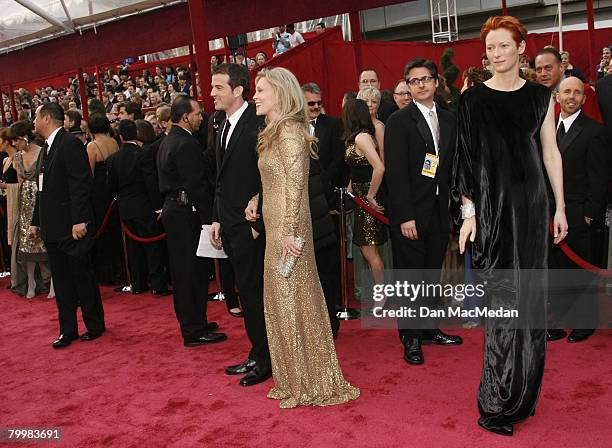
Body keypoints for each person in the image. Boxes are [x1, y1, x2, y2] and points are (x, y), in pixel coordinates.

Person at [454, 16, 568, 436]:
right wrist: (469, 214)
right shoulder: (472, 100)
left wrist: (560, 208)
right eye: (491, 49)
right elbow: (464, 160)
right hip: (494, 207)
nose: (497, 55)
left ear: (521, 48)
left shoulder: (541, 97)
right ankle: (497, 402)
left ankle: (524, 391)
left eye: (504, 46)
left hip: (533, 206)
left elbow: (551, 153)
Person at [249, 66, 359, 408]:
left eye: (261, 91)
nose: (255, 96)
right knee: (278, 303)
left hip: (288, 231)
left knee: (294, 301)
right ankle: (291, 380)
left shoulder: (292, 132)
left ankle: (309, 382)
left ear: (280, 94)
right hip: (276, 227)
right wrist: (256, 200)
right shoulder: (273, 131)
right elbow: (275, 182)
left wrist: (291, 234)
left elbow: (297, 187)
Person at [385, 57, 463, 366]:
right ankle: (411, 337)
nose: (420, 85)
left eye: (425, 79)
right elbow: (396, 173)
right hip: (410, 214)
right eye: (414, 81)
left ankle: (429, 328)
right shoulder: (399, 121)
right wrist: (404, 216)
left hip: (439, 211)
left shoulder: (448, 119)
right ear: (407, 85)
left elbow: (453, 166)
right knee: (410, 277)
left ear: (435, 82)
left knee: (431, 272)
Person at [209, 63, 270, 387]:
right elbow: (220, 179)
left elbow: (267, 176)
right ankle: (257, 351)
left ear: (237, 90)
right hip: (230, 223)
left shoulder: (258, 124)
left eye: (218, 87)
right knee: (246, 293)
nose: (212, 93)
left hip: (252, 226)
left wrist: (258, 218)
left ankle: (266, 359)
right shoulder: (221, 123)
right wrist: (216, 217)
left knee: (256, 292)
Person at [30, 103, 105, 348]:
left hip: (73, 228)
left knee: (81, 277)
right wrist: (36, 222)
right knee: (61, 281)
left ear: (47, 118)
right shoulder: (47, 148)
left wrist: (79, 220)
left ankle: (94, 325)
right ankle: (68, 329)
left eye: (36, 116)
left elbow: (80, 185)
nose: (33, 122)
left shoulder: (69, 143)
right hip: (53, 228)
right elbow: (43, 190)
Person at [157, 95, 226, 347]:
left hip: (177, 212)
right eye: (197, 113)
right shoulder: (185, 144)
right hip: (187, 213)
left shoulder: (169, 140)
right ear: (185, 116)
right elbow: (197, 186)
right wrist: (211, 220)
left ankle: (196, 322)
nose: (201, 117)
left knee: (188, 271)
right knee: (190, 272)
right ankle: (193, 330)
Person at [547, 77, 608, 343]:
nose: (572, 97)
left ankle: (584, 323)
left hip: (578, 211)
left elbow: (600, 177)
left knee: (580, 268)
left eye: (577, 93)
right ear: (557, 97)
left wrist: (589, 213)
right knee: (555, 268)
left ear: (584, 99)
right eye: (567, 92)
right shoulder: (546, 131)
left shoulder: (595, 132)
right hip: (549, 213)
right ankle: (561, 319)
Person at [107, 120, 170, 297]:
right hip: (145, 207)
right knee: (152, 246)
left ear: (120, 136)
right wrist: (158, 208)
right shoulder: (143, 155)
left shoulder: (113, 159)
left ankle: (138, 283)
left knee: (133, 247)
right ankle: (158, 284)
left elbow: (111, 185)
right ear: (137, 133)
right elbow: (151, 183)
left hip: (126, 209)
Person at [343, 98, 387, 292]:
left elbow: (379, 167)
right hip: (360, 199)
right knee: (365, 248)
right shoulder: (358, 137)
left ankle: (382, 293)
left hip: (368, 201)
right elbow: (358, 167)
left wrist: (370, 196)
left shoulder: (362, 137)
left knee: (369, 250)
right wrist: (351, 188)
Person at [10, 121, 51, 298]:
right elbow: (20, 183)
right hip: (25, 204)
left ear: (25, 137)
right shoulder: (17, 158)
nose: (14, 144)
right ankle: (31, 283)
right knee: (26, 244)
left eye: (16, 140)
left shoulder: (43, 153)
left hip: (42, 199)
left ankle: (52, 283)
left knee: (45, 243)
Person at [86, 114, 124, 286]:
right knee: (115, 231)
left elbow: (90, 174)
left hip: (100, 195)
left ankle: (106, 273)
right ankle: (120, 270)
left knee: (103, 232)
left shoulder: (92, 146)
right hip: (115, 191)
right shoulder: (114, 142)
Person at [357, 87, 385, 161]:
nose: (370, 104)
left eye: (374, 102)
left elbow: (382, 155)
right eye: (366, 101)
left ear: (378, 105)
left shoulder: (379, 127)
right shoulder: (357, 124)